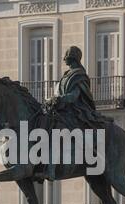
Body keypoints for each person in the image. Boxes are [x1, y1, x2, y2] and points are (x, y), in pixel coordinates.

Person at [43, 46, 112, 180]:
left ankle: (50, 169)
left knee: (58, 130)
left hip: (77, 111)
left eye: (67, 57)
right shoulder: (66, 75)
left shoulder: (79, 75)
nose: (65, 59)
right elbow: (59, 92)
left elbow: (75, 95)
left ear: (72, 58)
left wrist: (59, 99)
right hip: (62, 110)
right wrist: (52, 101)